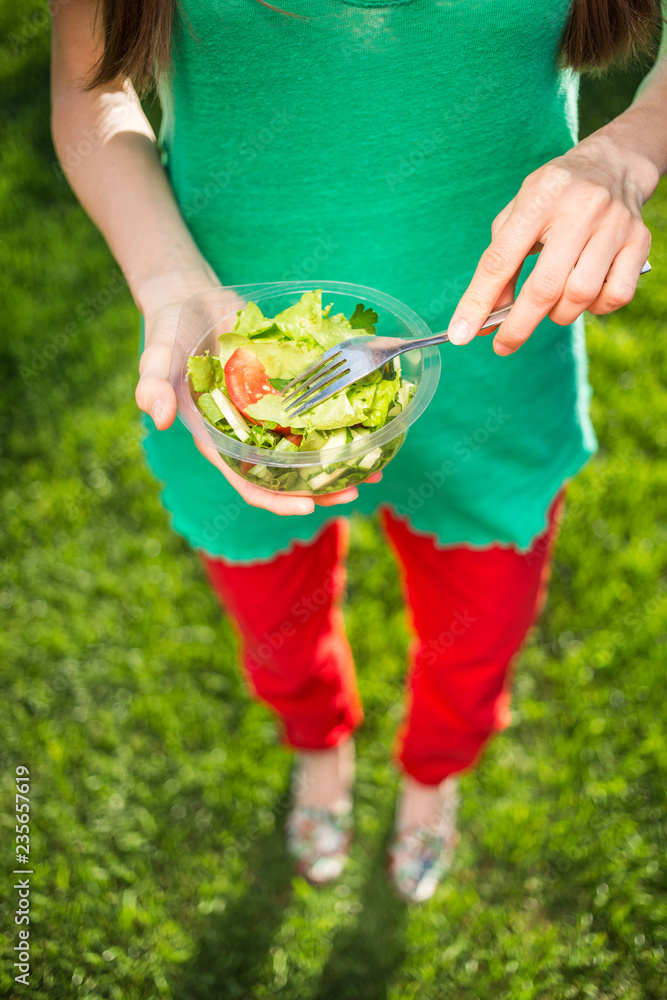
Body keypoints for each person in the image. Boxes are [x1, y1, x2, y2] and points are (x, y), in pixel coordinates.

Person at [51, 0, 666, 902]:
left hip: (496, 359)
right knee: (274, 626)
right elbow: (85, 86)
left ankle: (432, 775)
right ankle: (319, 746)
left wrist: (630, 148)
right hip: (228, 362)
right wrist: (165, 279)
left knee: (479, 632)